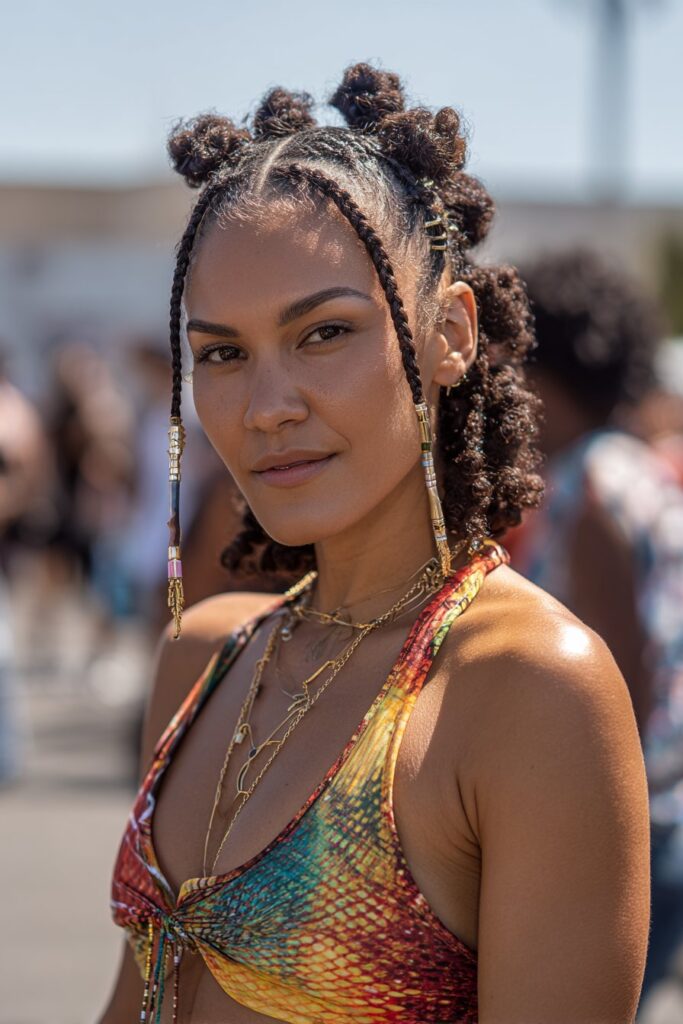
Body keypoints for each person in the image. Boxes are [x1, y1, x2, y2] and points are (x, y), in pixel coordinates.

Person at [99, 66, 650, 1024]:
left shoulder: (527, 690)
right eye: (222, 353)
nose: (267, 408)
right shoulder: (203, 658)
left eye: (323, 333)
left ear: (447, 334)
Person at [507, 250, 683, 1011]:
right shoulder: (631, 465)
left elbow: (622, 674)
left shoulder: (590, 490)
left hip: (635, 817)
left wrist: (596, 831)